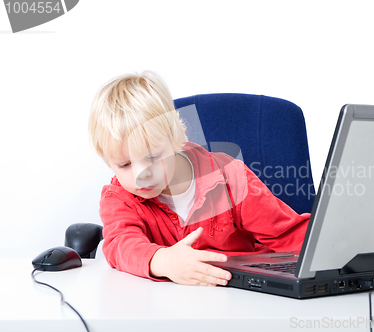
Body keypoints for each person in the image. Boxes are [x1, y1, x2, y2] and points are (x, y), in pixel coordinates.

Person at [88, 71, 310, 286]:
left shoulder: (229, 176)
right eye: (124, 164)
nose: (141, 174)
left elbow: (287, 233)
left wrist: (334, 244)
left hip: (239, 296)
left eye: (153, 157)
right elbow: (120, 243)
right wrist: (162, 260)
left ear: (175, 138)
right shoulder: (119, 198)